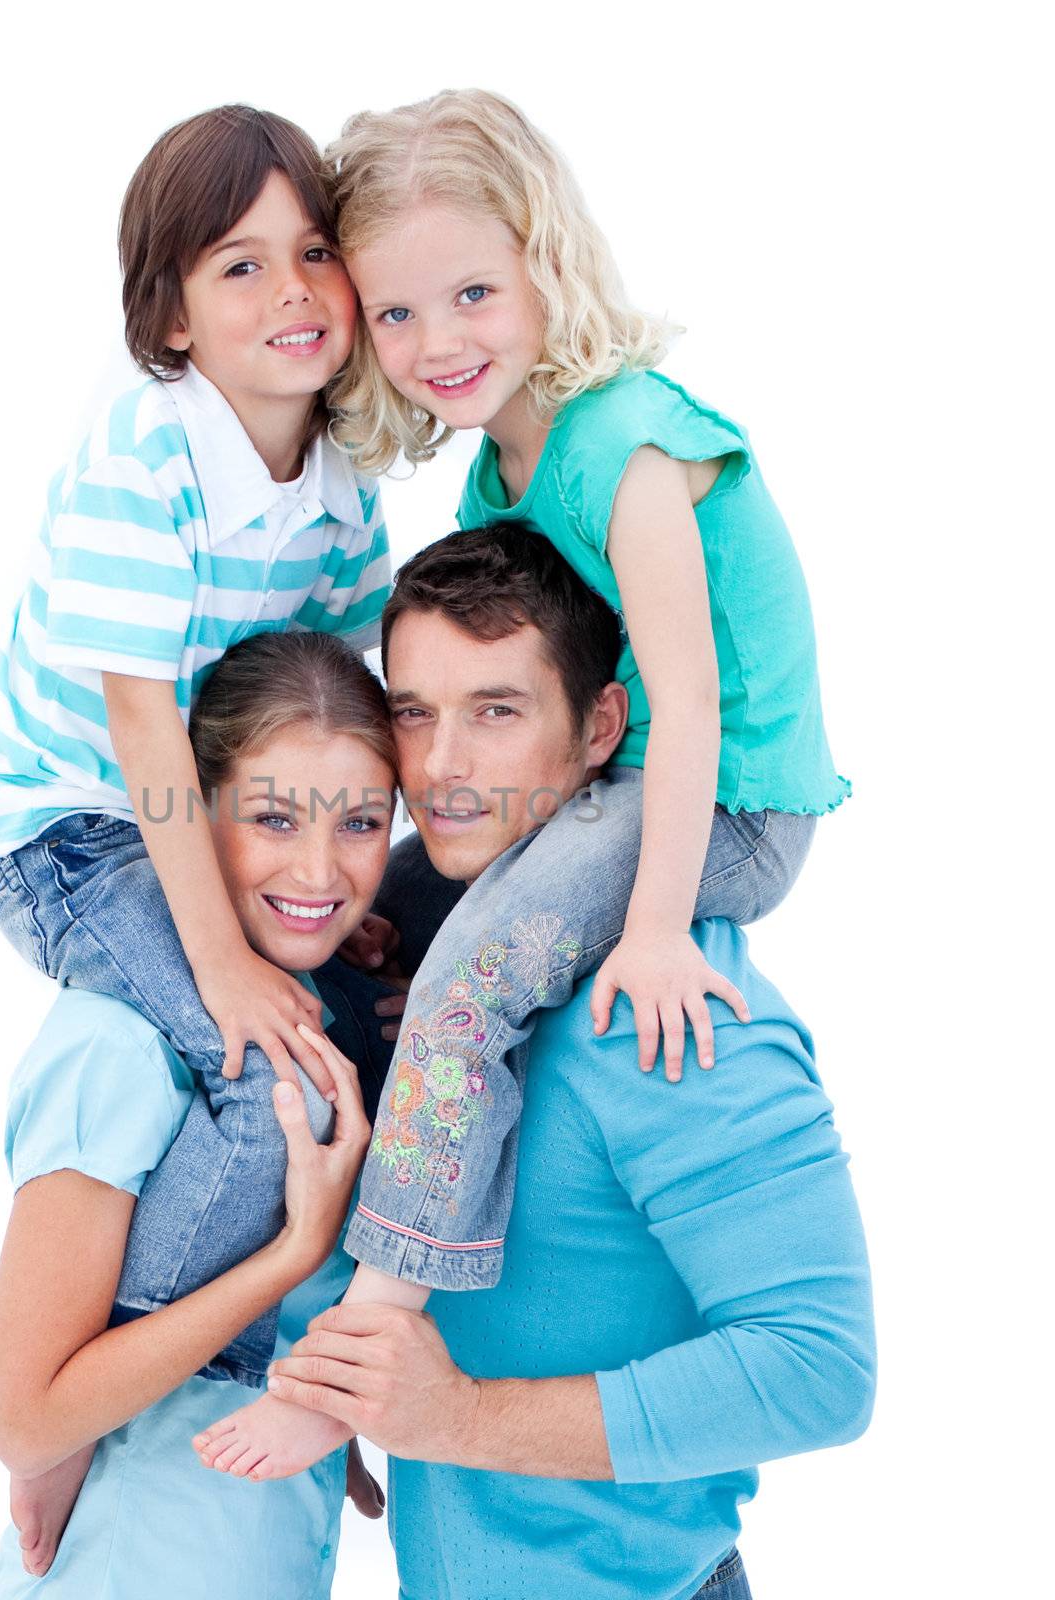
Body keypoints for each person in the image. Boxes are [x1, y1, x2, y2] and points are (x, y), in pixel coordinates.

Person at [199, 85, 850, 1473]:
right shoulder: (503, 466)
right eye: (396, 313)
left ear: (547, 261)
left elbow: (684, 708)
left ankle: (362, 1347)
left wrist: (661, 929)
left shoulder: (624, 446)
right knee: (376, 924)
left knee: (473, 972)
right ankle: (300, 1267)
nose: (439, 344)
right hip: (617, 786)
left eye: (474, 294)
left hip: (725, 803)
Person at [198, 528, 875, 1600]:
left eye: (498, 711)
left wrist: (453, 1417)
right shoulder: (430, 981)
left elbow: (818, 1370)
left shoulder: (677, 1021)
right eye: (413, 712)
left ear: (600, 726)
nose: (442, 767)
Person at [0, 103, 395, 1399]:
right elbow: (138, 718)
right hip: (64, 832)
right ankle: (109, 1385)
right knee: (266, 1072)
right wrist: (222, 963)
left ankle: (292, 1349)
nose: (292, 291)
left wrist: (332, 881)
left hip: (189, 825)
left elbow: (343, 695)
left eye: (314, 251)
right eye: (239, 265)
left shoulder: (339, 485)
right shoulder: (146, 453)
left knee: (340, 1048)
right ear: (171, 322)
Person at [0, 631, 394, 1594]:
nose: (319, 873)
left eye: (363, 823)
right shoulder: (115, 1045)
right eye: (274, 820)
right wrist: (293, 1255)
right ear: (192, 810)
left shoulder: (331, 1019)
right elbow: (26, 1420)